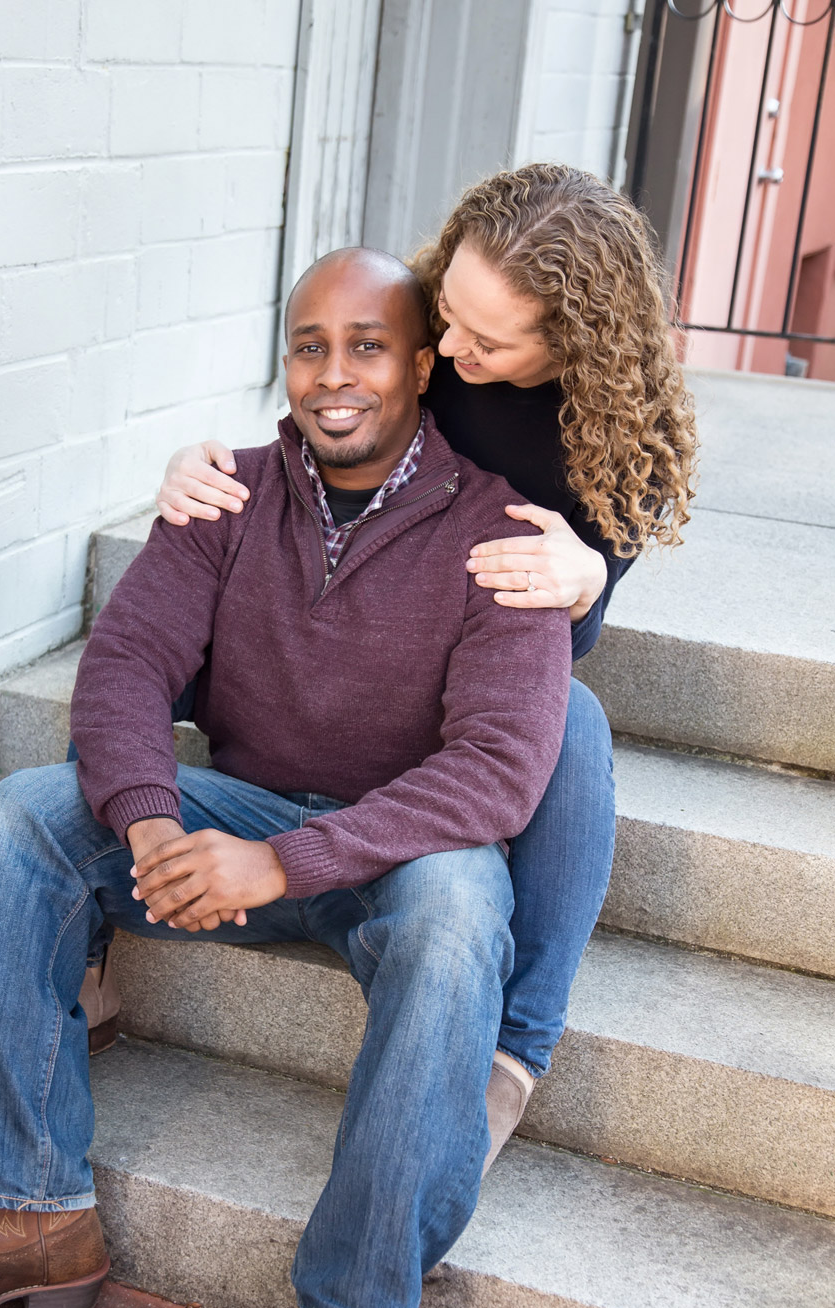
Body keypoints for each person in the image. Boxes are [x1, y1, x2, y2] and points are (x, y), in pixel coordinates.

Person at [0, 247, 571, 1308]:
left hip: (395, 860)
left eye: (370, 345)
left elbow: (499, 776)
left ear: (427, 362)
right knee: (34, 816)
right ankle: (20, 1214)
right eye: (309, 345)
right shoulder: (227, 497)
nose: (334, 375)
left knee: (458, 914)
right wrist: (154, 824)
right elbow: (124, 668)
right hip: (242, 820)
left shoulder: (501, 536)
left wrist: (284, 865)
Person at [154, 164, 697, 1105]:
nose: (448, 346)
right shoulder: (432, 336)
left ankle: (514, 1052)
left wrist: (588, 581)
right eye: (446, 312)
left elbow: (560, 635)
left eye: (485, 340)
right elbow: (328, 434)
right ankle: (97, 918)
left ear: (575, 344)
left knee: (571, 724)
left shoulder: (622, 440)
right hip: (345, 619)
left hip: (474, 658)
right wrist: (202, 471)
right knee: (145, 642)